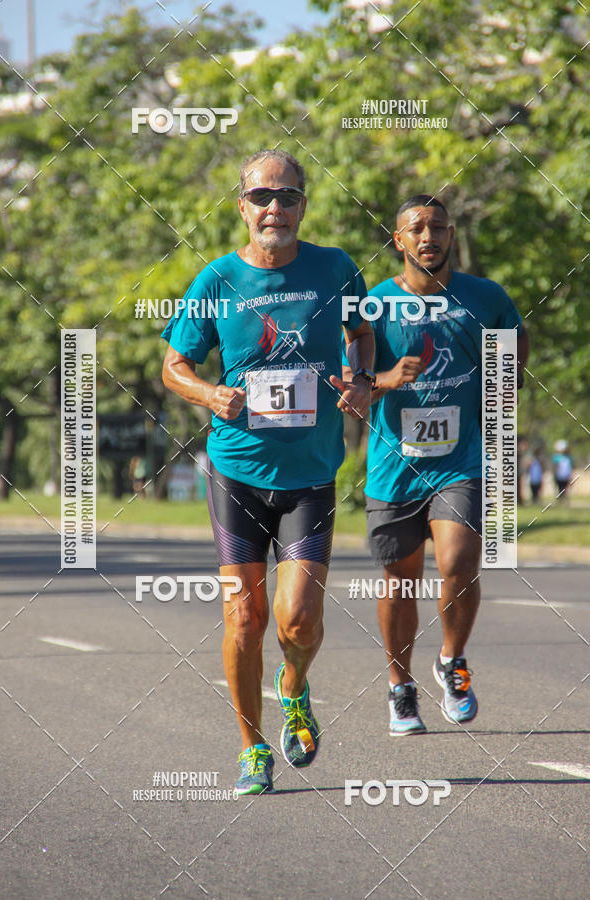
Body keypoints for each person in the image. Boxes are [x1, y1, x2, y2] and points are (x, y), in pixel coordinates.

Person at [161, 150, 374, 793]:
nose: (274, 207)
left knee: (298, 621)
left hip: (309, 474)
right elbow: (174, 366)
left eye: (286, 197)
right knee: (244, 619)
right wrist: (207, 395)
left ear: (303, 206)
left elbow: (362, 334)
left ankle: (295, 687)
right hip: (237, 474)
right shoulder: (216, 280)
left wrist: (361, 380)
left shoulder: (335, 268)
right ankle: (252, 745)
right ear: (242, 206)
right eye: (262, 197)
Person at [345, 194, 529, 735]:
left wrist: (507, 373)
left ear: (451, 236)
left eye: (438, 227)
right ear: (398, 240)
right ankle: (400, 686)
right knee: (400, 580)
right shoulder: (371, 306)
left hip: (460, 460)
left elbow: (514, 348)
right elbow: (352, 391)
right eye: (416, 228)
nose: (428, 237)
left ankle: (451, 661)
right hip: (394, 466)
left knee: (458, 561)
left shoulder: (485, 298)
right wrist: (384, 380)